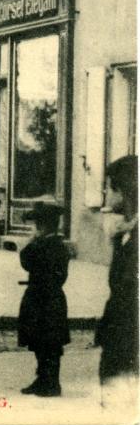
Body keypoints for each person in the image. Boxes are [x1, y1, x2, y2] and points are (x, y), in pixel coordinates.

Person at [96, 155, 138, 406]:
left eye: (109, 186)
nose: (104, 192)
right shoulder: (128, 232)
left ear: (123, 191)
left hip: (127, 337)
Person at [17, 203, 70, 397]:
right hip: (48, 299)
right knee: (42, 342)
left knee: (49, 344)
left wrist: (31, 241)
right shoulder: (56, 244)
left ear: (44, 226)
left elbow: (26, 260)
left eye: (36, 225)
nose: (34, 229)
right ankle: (43, 380)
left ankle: (51, 383)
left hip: (44, 299)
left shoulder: (47, 245)